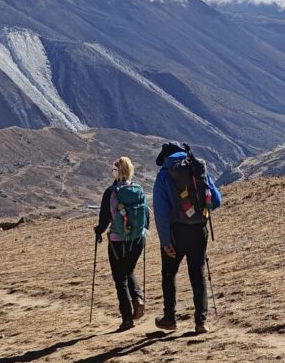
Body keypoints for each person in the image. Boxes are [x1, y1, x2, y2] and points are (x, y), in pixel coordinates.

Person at [152, 142, 222, 334]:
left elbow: (161, 213)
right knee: (198, 274)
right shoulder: (198, 169)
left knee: (169, 275)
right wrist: (198, 214)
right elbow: (216, 199)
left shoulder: (164, 175)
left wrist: (166, 241)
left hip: (176, 232)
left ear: (165, 157)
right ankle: (201, 322)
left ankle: (170, 318)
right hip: (199, 230)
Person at [94, 156, 149, 331]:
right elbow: (146, 214)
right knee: (129, 269)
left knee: (120, 279)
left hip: (118, 241)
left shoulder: (111, 192)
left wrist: (98, 231)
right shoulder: (138, 189)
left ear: (117, 171)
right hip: (138, 239)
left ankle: (127, 319)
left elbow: (104, 219)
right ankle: (138, 298)